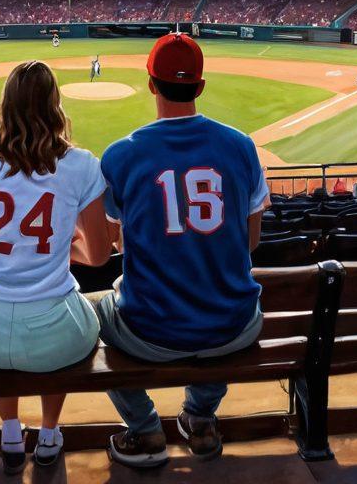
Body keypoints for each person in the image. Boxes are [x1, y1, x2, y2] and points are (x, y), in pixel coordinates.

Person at [98, 33, 269, 468]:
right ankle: (200, 415)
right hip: (232, 327)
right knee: (226, 306)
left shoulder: (119, 155)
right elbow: (250, 242)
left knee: (95, 315)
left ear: (150, 84)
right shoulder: (241, 146)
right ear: (200, 86)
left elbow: (117, 243)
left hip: (151, 332)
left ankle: (144, 428)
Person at [0, 61, 109, 472]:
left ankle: (11, 431)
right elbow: (100, 256)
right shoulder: (83, 164)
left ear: (5, 104)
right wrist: (64, 250)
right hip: (54, 331)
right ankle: (49, 433)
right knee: (67, 325)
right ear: (55, 105)